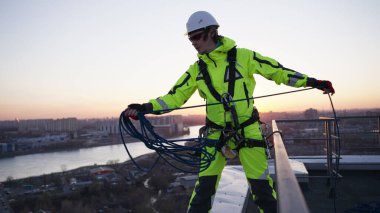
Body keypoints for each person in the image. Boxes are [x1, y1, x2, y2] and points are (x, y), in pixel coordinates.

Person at [124, 11, 334, 213]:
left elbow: (278, 72)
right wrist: (145, 108)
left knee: (263, 193)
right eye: (191, 39)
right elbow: (174, 97)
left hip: (248, 132)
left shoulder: (245, 57)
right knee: (202, 195)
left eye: (197, 36)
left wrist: (314, 82)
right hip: (215, 136)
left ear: (212, 32)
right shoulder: (196, 70)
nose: (194, 42)